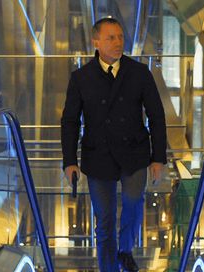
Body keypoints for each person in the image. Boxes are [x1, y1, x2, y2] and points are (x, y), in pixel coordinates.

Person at [61, 17, 167, 272]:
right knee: (104, 221)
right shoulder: (81, 77)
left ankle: (126, 250)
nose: (118, 42)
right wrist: (70, 162)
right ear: (96, 42)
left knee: (133, 201)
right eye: (111, 37)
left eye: (120, 37)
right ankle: (108, 268)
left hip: (135, 153)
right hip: (98, 157)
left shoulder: (140, 73)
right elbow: (70, 121)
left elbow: (156, 115)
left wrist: (158, 157)